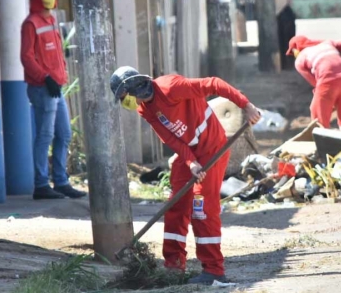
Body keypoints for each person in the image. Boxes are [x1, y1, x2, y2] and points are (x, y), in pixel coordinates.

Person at [109, 66, 261, 284]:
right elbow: (170, 139)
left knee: (202, 209)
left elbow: (214, 83)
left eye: (124, 97)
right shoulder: (145, 109)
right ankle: (173, 266)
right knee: (176, 205)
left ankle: (214, 270)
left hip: (211, 147)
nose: (125, 103)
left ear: (133, 88)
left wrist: (245, 105)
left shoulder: (171, 87)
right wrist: (190, 162)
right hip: (188, 152)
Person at [20, 0, 86, 200]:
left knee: (64, 134)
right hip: (42, 88)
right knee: (45, 135)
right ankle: (41, 184)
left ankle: (61, 181)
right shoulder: (31, 23)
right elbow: (27, 57)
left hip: (56, 87)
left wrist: (57, 76)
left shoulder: (52, 20)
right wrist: (44, 77)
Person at [286, 35, 341, 129]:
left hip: (326, 84)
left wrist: (327, 101)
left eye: (293, 52)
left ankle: (321, 138)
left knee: (317, 119)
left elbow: (316, 84)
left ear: (296, 48)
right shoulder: (327, 43)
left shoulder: (300, 60)